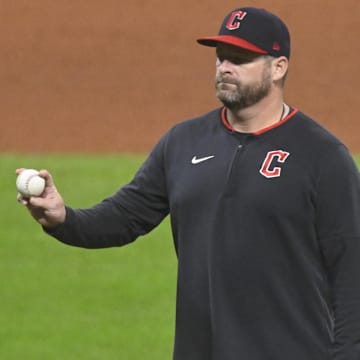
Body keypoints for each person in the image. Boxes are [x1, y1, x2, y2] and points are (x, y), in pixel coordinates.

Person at [17, 7, 360, 360]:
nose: (225, 68)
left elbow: (351, 270)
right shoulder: (184, 142)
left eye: (240, 59)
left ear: (278, 67)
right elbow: (125, 217)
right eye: (221, 57)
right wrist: (63, 218)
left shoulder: (322, 156)